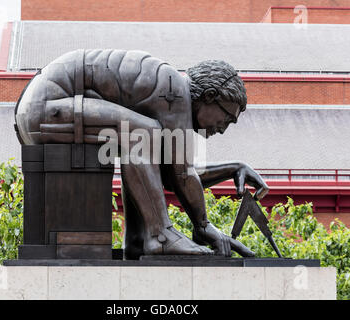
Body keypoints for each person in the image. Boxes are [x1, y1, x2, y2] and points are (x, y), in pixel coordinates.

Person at [15, 49, 269, 259]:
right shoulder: (175, 89)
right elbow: (181, 174)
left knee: (140, 138)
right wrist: (203, 226)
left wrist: (233, 168)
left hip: (43, 110)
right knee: (142, 134)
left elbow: (170, 174)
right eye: (226, 118)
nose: (223, 129)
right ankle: (159, 236)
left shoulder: (169, 91)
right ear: (210, 96)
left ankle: (137, 240)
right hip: (46, 108)